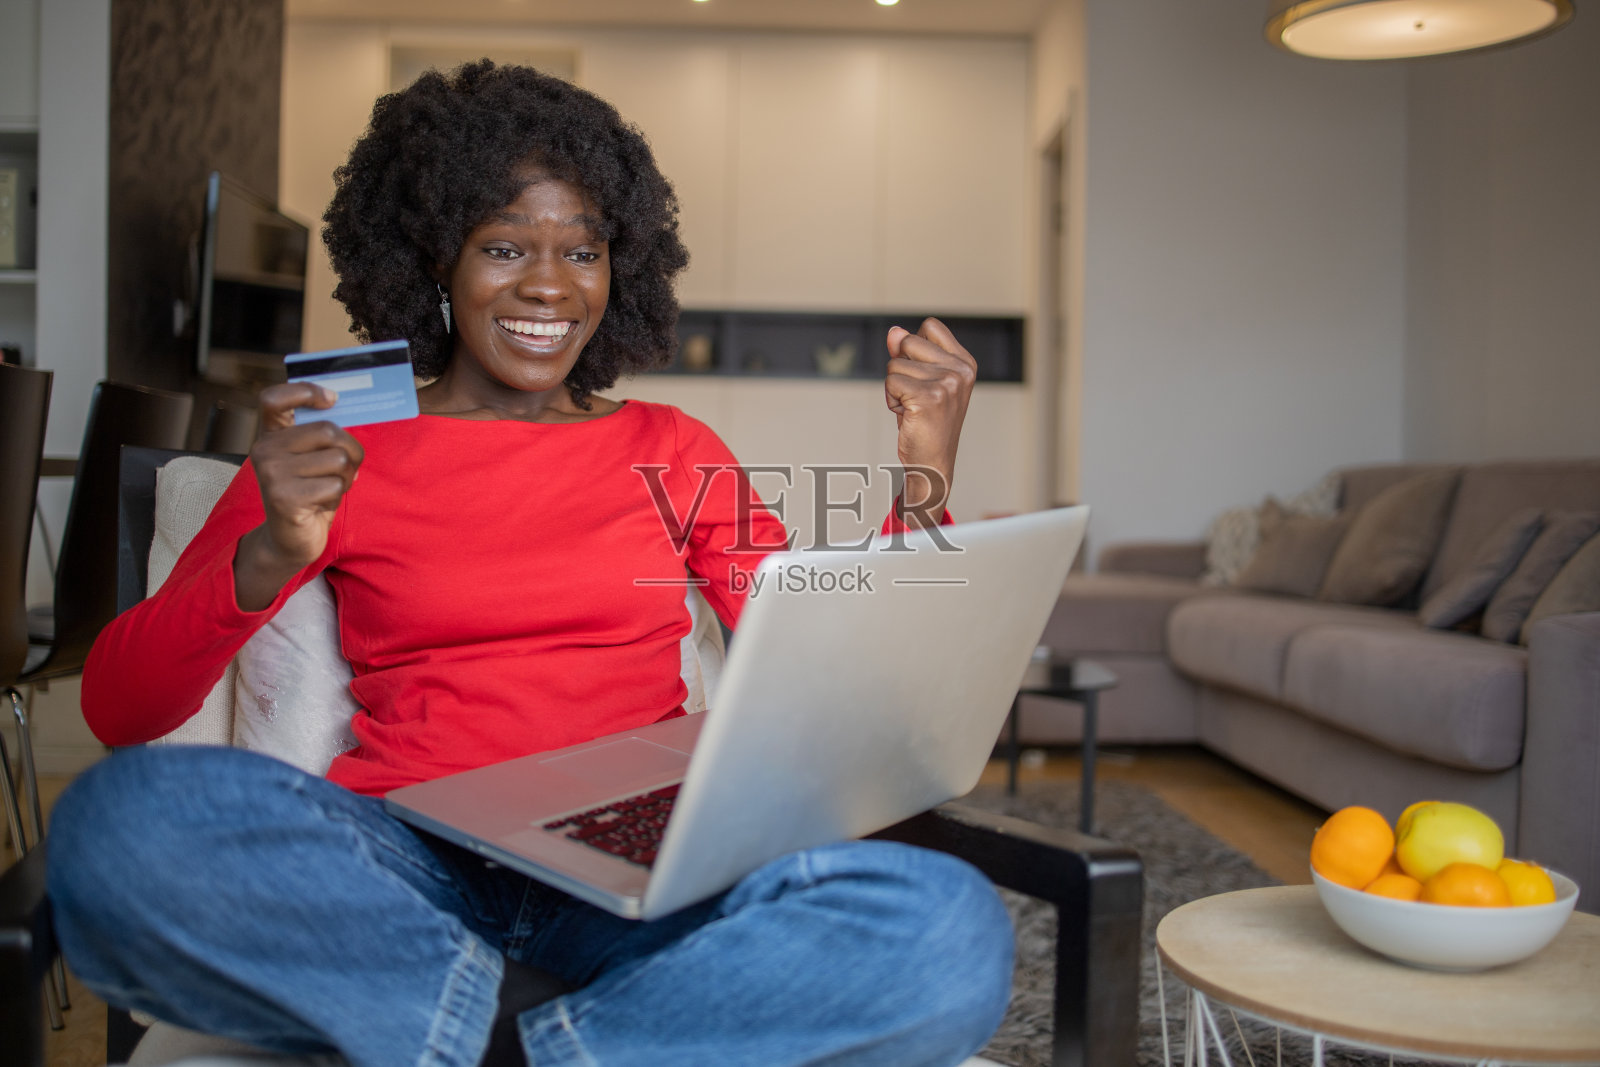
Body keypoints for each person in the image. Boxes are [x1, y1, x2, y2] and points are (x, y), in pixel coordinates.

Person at [47, 61, 1014, 1067]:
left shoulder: (671, 445)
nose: (549, 286)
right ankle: (580, 1042)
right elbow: (121, 707)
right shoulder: (340, 439)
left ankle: (472, 1038)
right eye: (504, 246)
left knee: (946, 928)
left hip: (635, 864)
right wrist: (268, 551)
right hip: (406, 865)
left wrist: (926, 466)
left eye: (583, 252)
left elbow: (842, 677)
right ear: (434, 264)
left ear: (618, 270)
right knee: (117, 830)